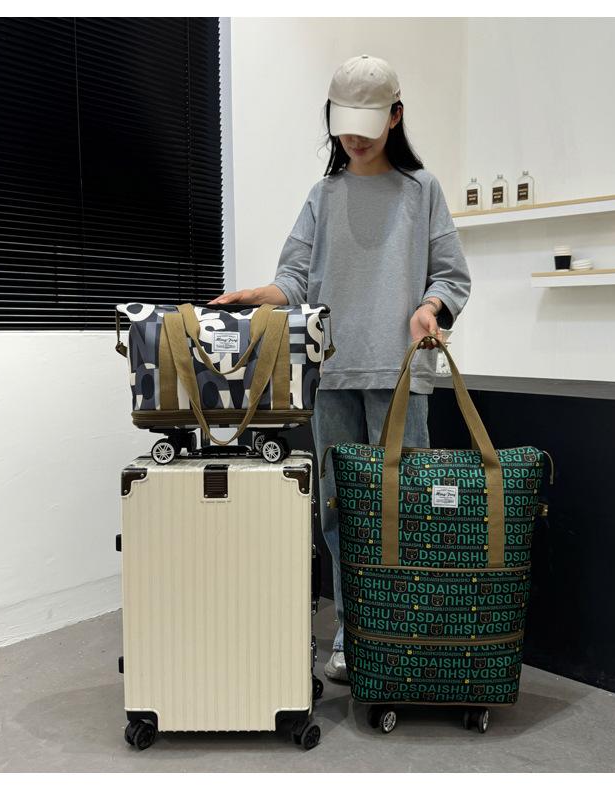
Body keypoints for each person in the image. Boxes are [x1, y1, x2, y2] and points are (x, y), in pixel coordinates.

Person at [210, 54, 471, 682]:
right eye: (344, 125)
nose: (354, 138)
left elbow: (450, 275)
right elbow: (295, 278)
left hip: (401, 376)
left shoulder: (422, 191)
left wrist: (430, 308)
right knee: (337, 510)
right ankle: (355, 630)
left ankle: (401, 631)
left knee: (404, 507)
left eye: (367, 125)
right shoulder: (322, 196)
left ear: (395, 117)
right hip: (331, 377)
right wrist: (264, 294)